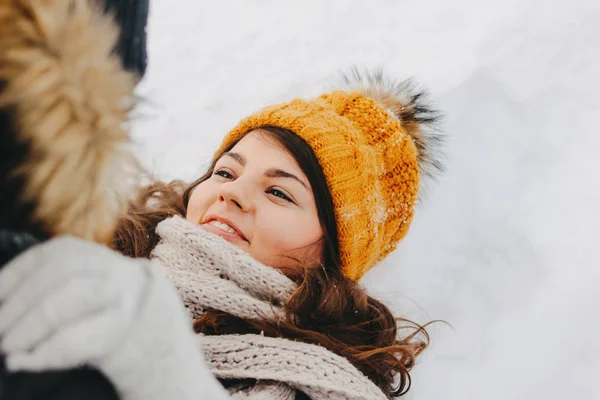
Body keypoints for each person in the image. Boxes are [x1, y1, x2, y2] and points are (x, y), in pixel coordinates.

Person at [0, 69, 443, 399]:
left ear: (331, 253)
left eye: (278, 192)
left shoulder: (319, 387)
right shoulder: (83, 252)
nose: (233, 193)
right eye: (226, 170)